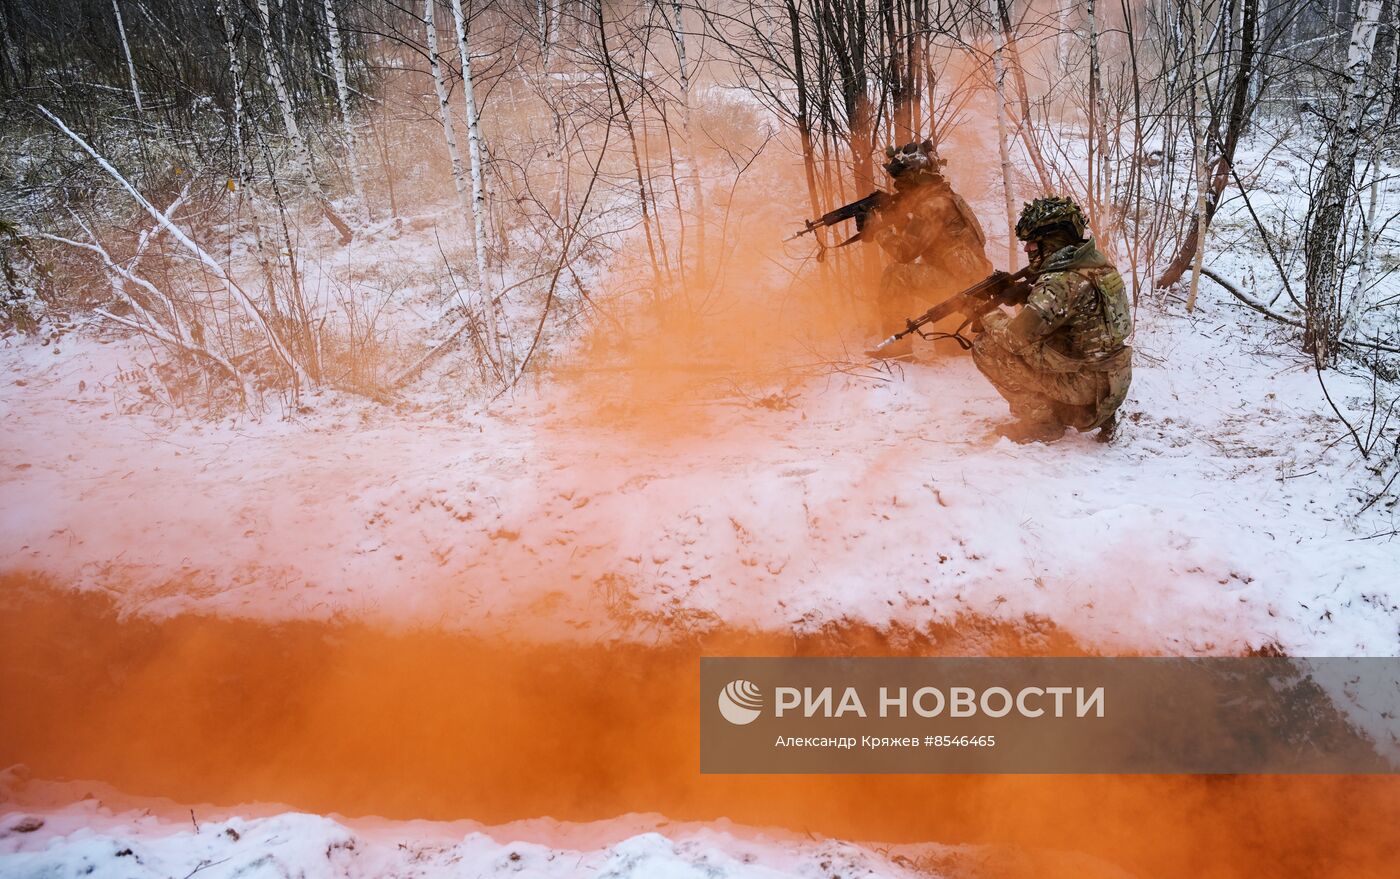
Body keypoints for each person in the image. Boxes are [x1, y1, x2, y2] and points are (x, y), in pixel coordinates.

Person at [972, 196, 1133, 443]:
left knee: (987, 346)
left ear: (1053, 242)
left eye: (1033, 244)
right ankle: (1087, 411)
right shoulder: (1097, 266)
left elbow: (1014, 338)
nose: (1027, 249)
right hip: (1112, 381)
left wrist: (984, 313)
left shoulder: (1059, 282)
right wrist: (1026, 295)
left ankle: (1042, 424)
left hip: (1084, 385)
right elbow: (1076, 313)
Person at [866, 141, 993, 360]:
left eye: (903, 180)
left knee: (896, 274)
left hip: (962, 292)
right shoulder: (948, 198)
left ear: (916, 177)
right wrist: (899, 218)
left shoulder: (931, 207)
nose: (898, 186)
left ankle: (897, 350)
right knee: (946, 347)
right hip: (971, 286)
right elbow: (932, 241)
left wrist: (878, 229)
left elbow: (904, 253)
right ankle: (950, 343)